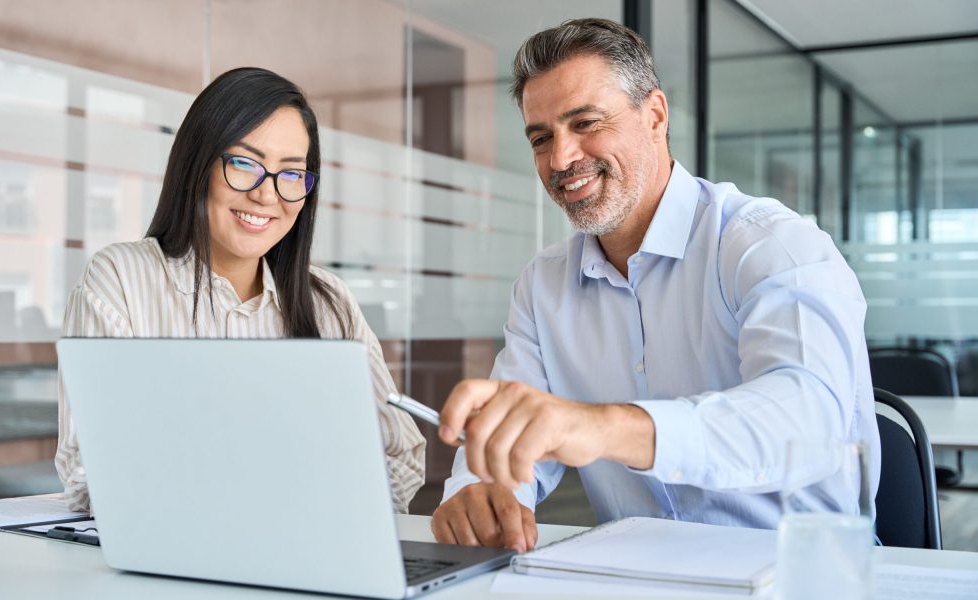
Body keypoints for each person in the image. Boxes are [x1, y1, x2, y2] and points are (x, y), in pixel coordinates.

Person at [431, 18, 880, 552]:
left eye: (586, 123)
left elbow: (808, 425)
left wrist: (601, 427)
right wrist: (482, 490)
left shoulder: (769, 244)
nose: (560, 158)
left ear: (655, 117)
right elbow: (516, 438)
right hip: (636, 574)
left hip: (799, 573)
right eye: (541, 137)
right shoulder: (542, 285)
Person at [55, 67, 425, 514]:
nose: (267, 195)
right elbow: (87, 471)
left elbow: (401, 457)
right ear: (199, 165)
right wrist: (304, 470)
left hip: (312, 553)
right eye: (245, 164)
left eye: (291, 174)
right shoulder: (121, 280)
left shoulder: (328, 301)